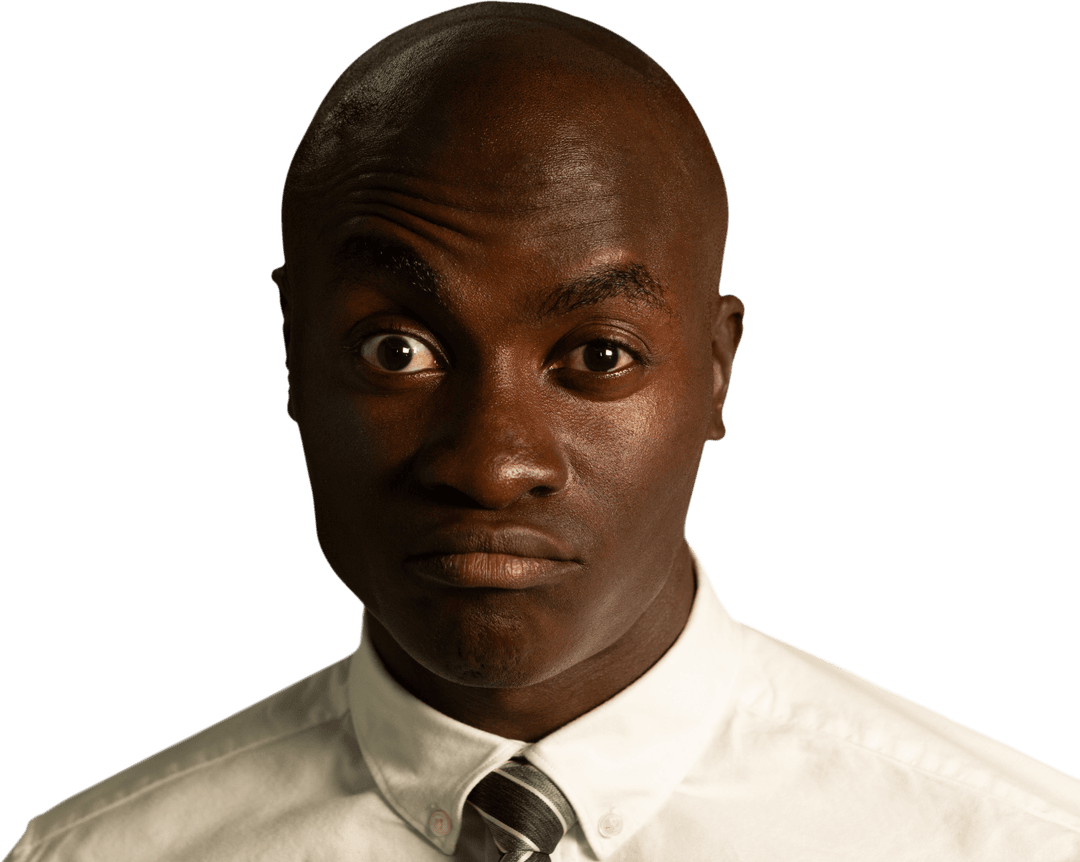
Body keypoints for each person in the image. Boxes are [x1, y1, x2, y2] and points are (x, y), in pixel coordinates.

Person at [9, 2, 1079, 860]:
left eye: (598, 356)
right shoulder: (94, 853)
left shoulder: (1014, 843)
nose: (491, 463)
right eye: (397, 350)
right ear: (292, 353)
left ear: (715, 372)